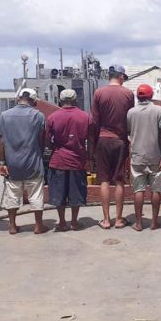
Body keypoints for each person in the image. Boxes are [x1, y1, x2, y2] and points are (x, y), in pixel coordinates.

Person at [0, 88, 48, 235]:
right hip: (33, 162)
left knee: (12, 195)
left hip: (12, 164)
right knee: (36, 195)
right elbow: (41, 139)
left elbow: (1, 141)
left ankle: (12, 226)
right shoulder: (38, 116)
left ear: (18, 98)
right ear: (33, 101)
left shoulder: (4, 116)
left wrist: (2, 163)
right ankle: (38, 226)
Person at [91, 64, 135, 229]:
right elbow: (130, 119)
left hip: (103, 139)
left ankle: (106, 220)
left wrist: (94, 144)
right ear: (121, 77)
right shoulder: (128, 94)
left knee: (104, 180)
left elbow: (94, 121)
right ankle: (118, 219)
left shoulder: (99, 93)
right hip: (120, 140)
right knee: (119, 181)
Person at [46, 89, 92, 232]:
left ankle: (61, 222)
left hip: (58, 160)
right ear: (75, 100)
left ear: (60, 100)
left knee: (59, 193)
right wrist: (89, 157)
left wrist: (56, 147)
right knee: (76, 193)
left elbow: (47, 141)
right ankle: (74, 222)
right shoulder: (86, 117)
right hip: (77, 161)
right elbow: (90, 140)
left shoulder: (52, 117)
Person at [127, 84, 161, 231]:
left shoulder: (131, 112)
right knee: (156, 190)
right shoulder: (159, 111)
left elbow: (129, 133)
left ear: (138, 97)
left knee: (138, 190)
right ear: (151, 95)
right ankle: (154, 223)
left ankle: (139, 223)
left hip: (137, 157)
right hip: (156, 157)